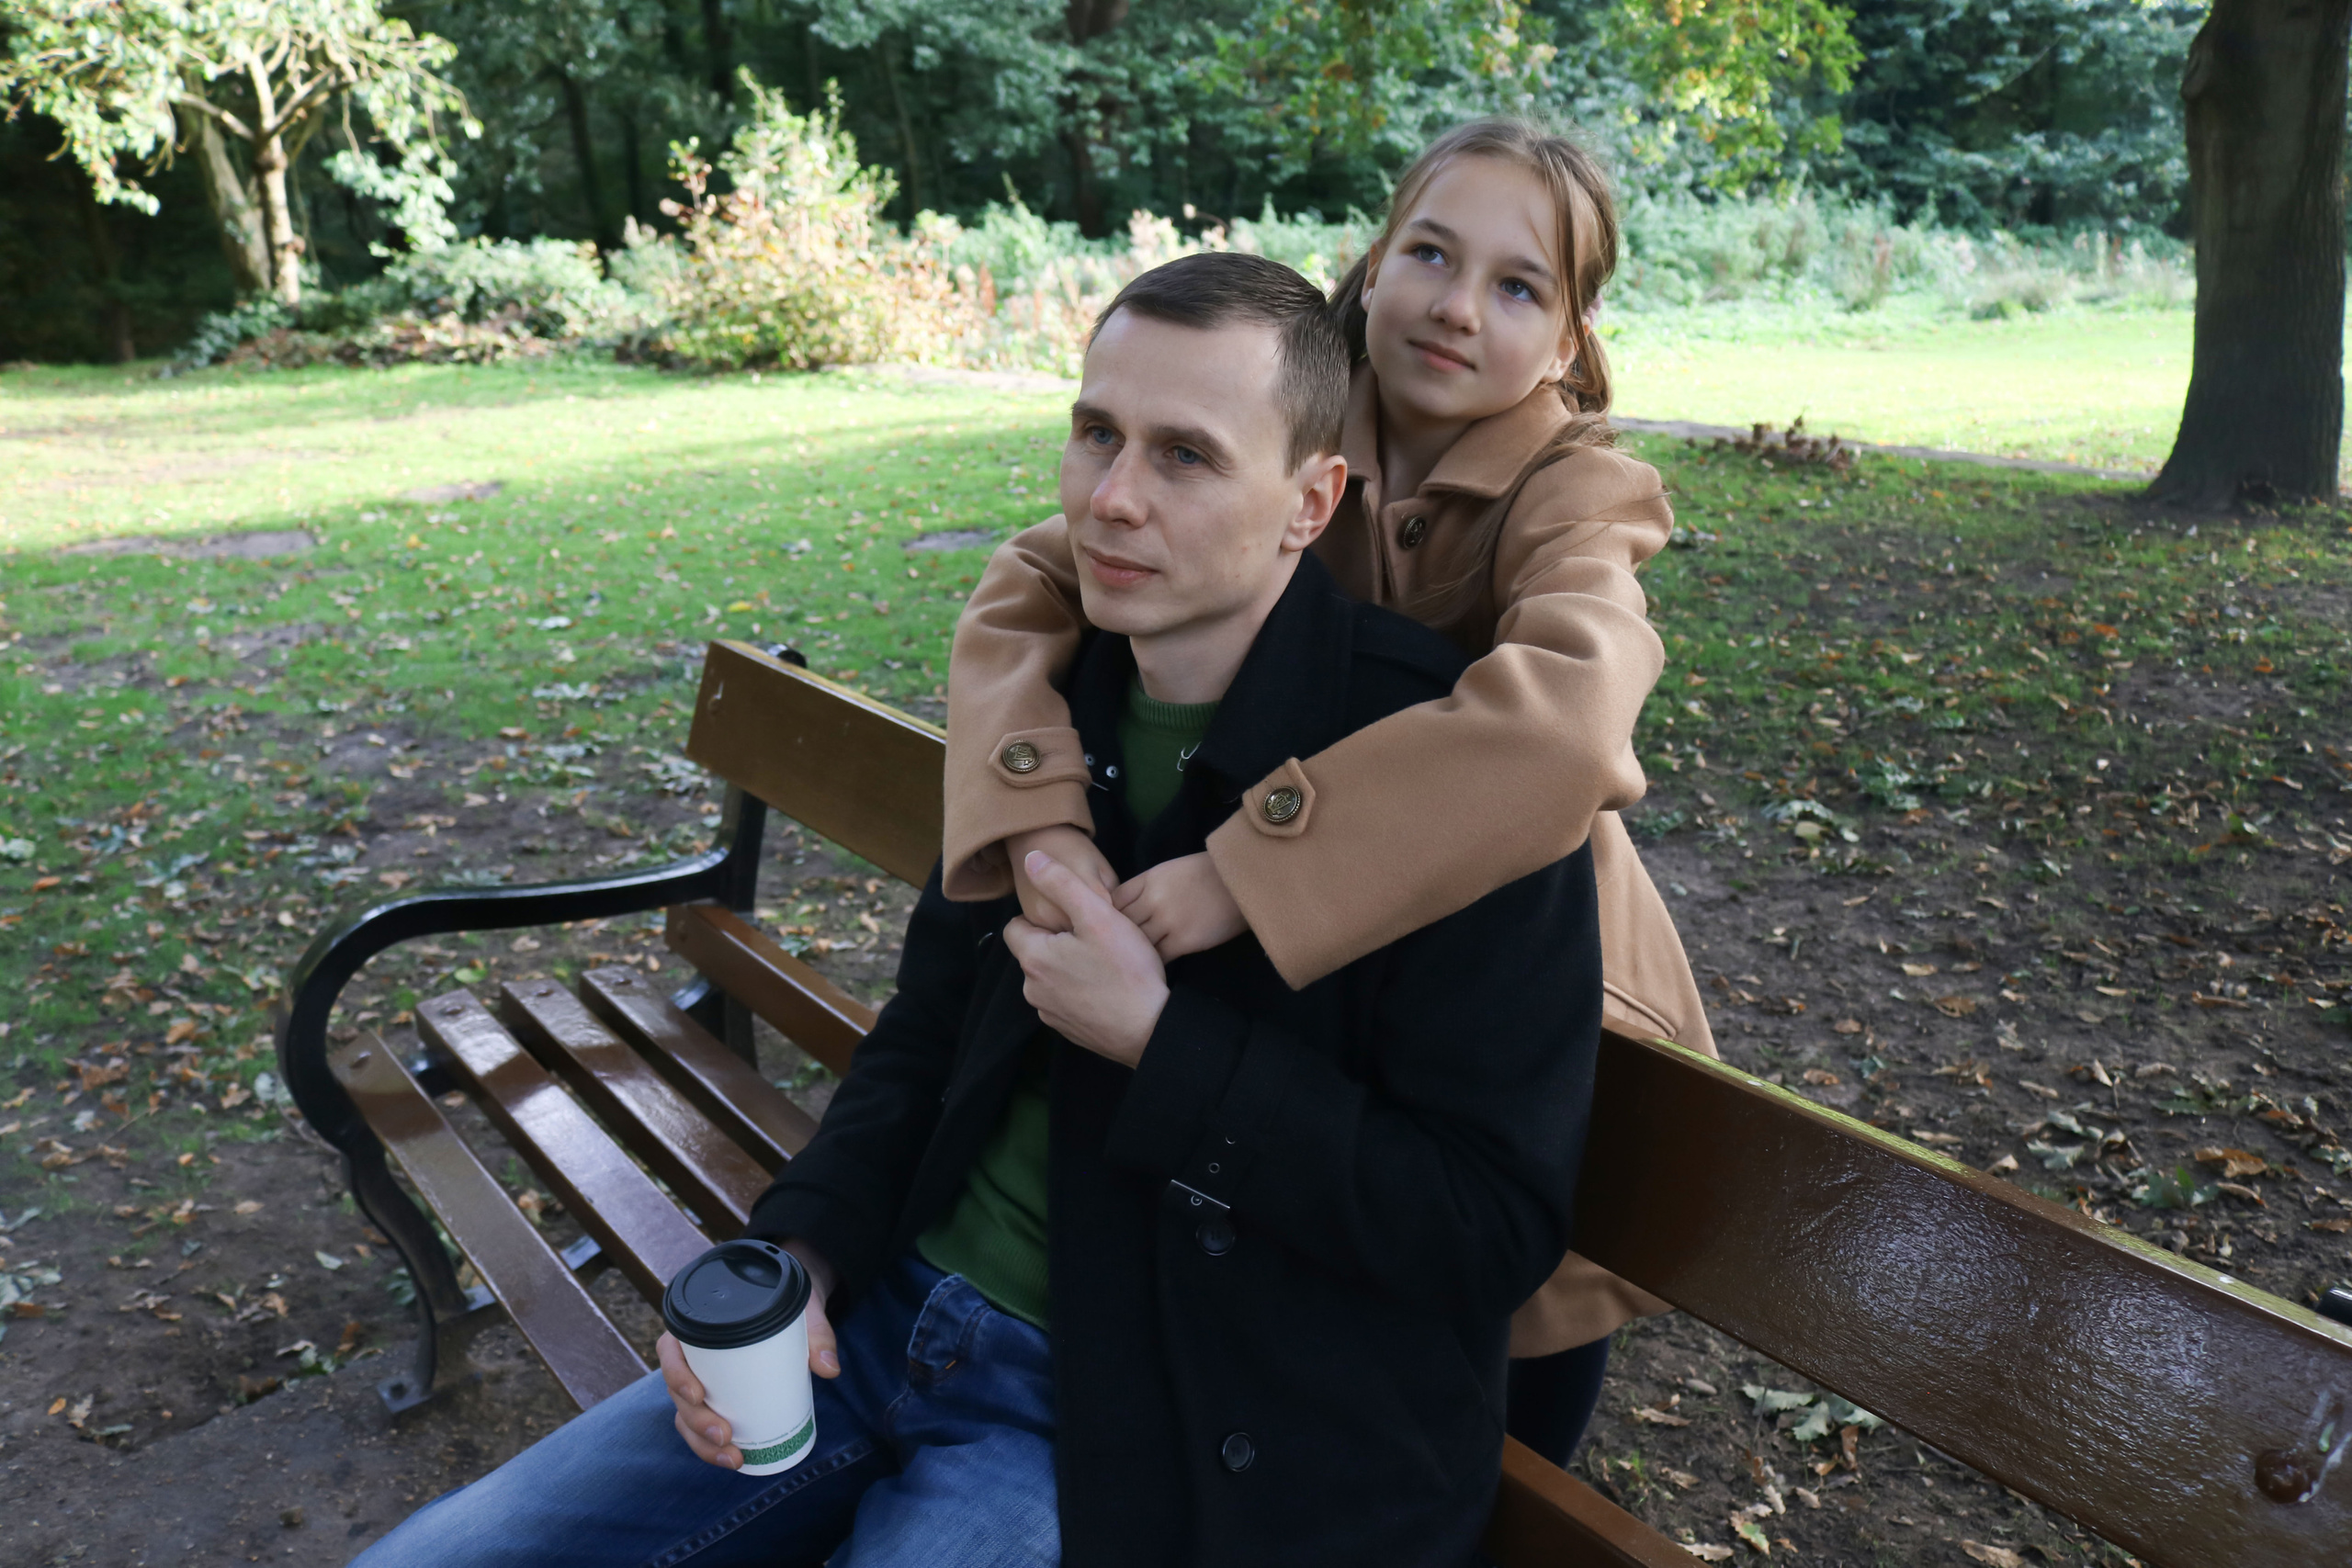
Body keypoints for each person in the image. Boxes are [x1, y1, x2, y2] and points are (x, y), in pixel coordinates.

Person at [352, 252, 1602, 1568]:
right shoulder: (1051, 701)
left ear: (1309, 501)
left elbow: (1486, 1230)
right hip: (882, 1319)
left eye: (1185, 457)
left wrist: (1165, 1048)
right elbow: (932, 1022)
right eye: (1096, 434)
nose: (1111, 501)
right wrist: (806, 1252)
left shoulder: (1443, 772)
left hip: (1129, 1417)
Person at [940, 118, 1718, 1465]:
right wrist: (1040, 816)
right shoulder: (1273, 425)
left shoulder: (1576, 489)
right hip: (1330, 1005)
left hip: (1520, 981)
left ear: (1573, 335)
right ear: (1375, 260)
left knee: (1506, 1399)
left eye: (1519, 285)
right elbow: (1027, 586)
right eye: (1431, 251)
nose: (1458, 306)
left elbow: (1575, 720)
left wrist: (1255, 864)